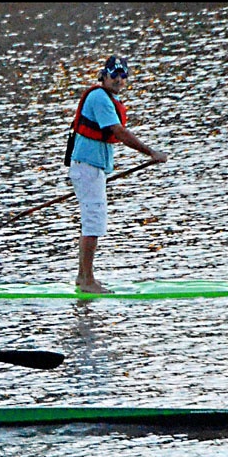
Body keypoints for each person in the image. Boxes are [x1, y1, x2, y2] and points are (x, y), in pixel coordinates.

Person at [67, 56, 168, 293]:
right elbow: (118, 132)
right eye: (114, 75)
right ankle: (87, 281)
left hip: (91, 168)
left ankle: (83, 278)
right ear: (103, 76)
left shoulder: (109, 98)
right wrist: (150, 152)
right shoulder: (100, 97)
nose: (119, 80)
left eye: (124, 76)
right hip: (87, 168)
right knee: (93, 223)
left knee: (93, 222)